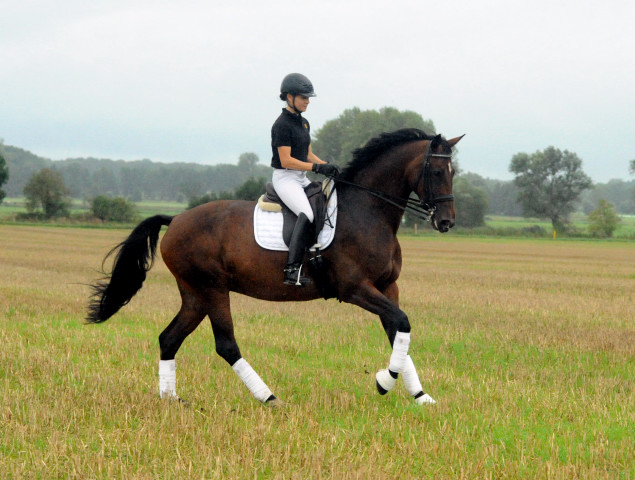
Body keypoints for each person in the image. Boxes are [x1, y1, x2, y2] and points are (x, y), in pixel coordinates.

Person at [271, 73, 339, 286]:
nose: (308, 101)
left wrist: (326, 166)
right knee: (307, 213)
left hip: (301, 177)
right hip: (285, 179)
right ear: (289, 97)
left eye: (309, 98)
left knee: (328, 203)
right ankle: (291, 270)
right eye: (304, 97)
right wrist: (316, 167)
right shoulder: (281, 125)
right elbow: (286, 160)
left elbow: (308, 154)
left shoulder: (304, 123)